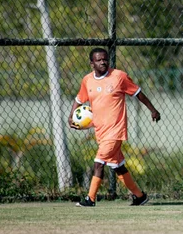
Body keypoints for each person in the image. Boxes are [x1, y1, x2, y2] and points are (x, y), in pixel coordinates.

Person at [69, 48, 161, 207]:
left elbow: (138, 93)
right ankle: (140, 197)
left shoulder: (119, 77)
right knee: (118, 166)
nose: (103, 62)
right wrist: (71, 116)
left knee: (98, 163)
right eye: (98, 60)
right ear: (92, 63)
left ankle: (90, 199)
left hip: (116, 131)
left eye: (105, 59)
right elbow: (79, 98)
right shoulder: (87, 80)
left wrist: (153, 110)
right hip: (100, 132)